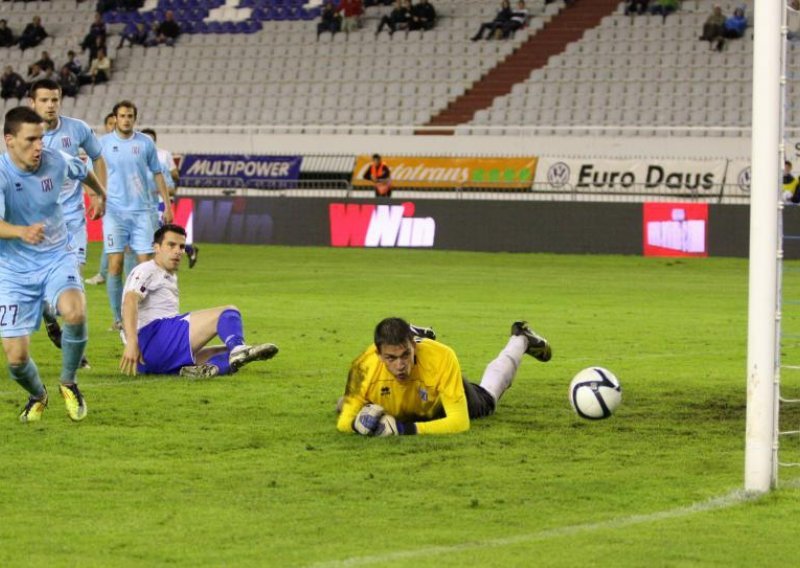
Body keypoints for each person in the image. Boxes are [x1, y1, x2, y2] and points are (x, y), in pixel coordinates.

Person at [0, 106, 106, 422]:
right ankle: (37, 395)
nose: (39, 147)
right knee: (16, 359)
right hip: (12, 270)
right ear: (9, 140)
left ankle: (69, 382)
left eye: (41, 139)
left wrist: (100, 194)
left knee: (75, 311)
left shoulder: (54, 160)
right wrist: (20, 231)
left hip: (56, 256)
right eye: (31, 140)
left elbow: (81, 169)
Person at [337, 318, 552, 436]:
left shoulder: (442, 357)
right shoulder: (363, 367)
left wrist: (403, 429)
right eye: (390, 358)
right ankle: (418, 332)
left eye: (405, 355)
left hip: (438, 403)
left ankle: (521, 339)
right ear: (378, 354)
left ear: (413, 347)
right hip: (402, 402)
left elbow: (459, 423)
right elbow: (344, 421)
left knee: (488, 400)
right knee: (342, 404)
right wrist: (357, 424)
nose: (400, 365)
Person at [119, 224, 278, 377]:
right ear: (157, 247)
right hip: (151, 339)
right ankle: (239, 348)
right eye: (171, 245)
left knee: (227, 352)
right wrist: (132, 342)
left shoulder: (166, 274)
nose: (178, 251)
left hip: (149, 360)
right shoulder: (147, 269)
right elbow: (129, 301)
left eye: (181, 247)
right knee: (228, 313)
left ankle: (209, 368)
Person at [28, 78, 108, 367]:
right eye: (44, 100)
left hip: (72, 219)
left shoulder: (77, 129)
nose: (51, 105)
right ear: (32, 103)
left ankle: (76, 356)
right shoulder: (25, 136)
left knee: (74, 283)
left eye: (55, 100)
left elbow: (97, 158)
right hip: (37, 224)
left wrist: (100, 195)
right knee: (43, 290)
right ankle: (49, 317)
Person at [100, 100, 173, 330]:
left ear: (134, 118)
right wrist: (95, 199)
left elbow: (158, 173)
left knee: (147, 264)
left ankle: (149, 315)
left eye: (130, 116)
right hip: (114, 212)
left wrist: (168, 205)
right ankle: (119, 318)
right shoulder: (102, 145)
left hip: (143, 212)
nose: (126, 120)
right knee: (115, 264)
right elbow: (94, 174)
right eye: (122, 116)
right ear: (115, 118)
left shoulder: (145, 143)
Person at [141, 128, 199, 268]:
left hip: (161, 201)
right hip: (144, 202)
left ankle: (156, 265)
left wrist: (165, 187)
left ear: (154, 140)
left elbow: (174, 174)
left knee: (160, 233)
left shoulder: (163, 155)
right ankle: (188, 249)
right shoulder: (138, 157)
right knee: (163, 233)